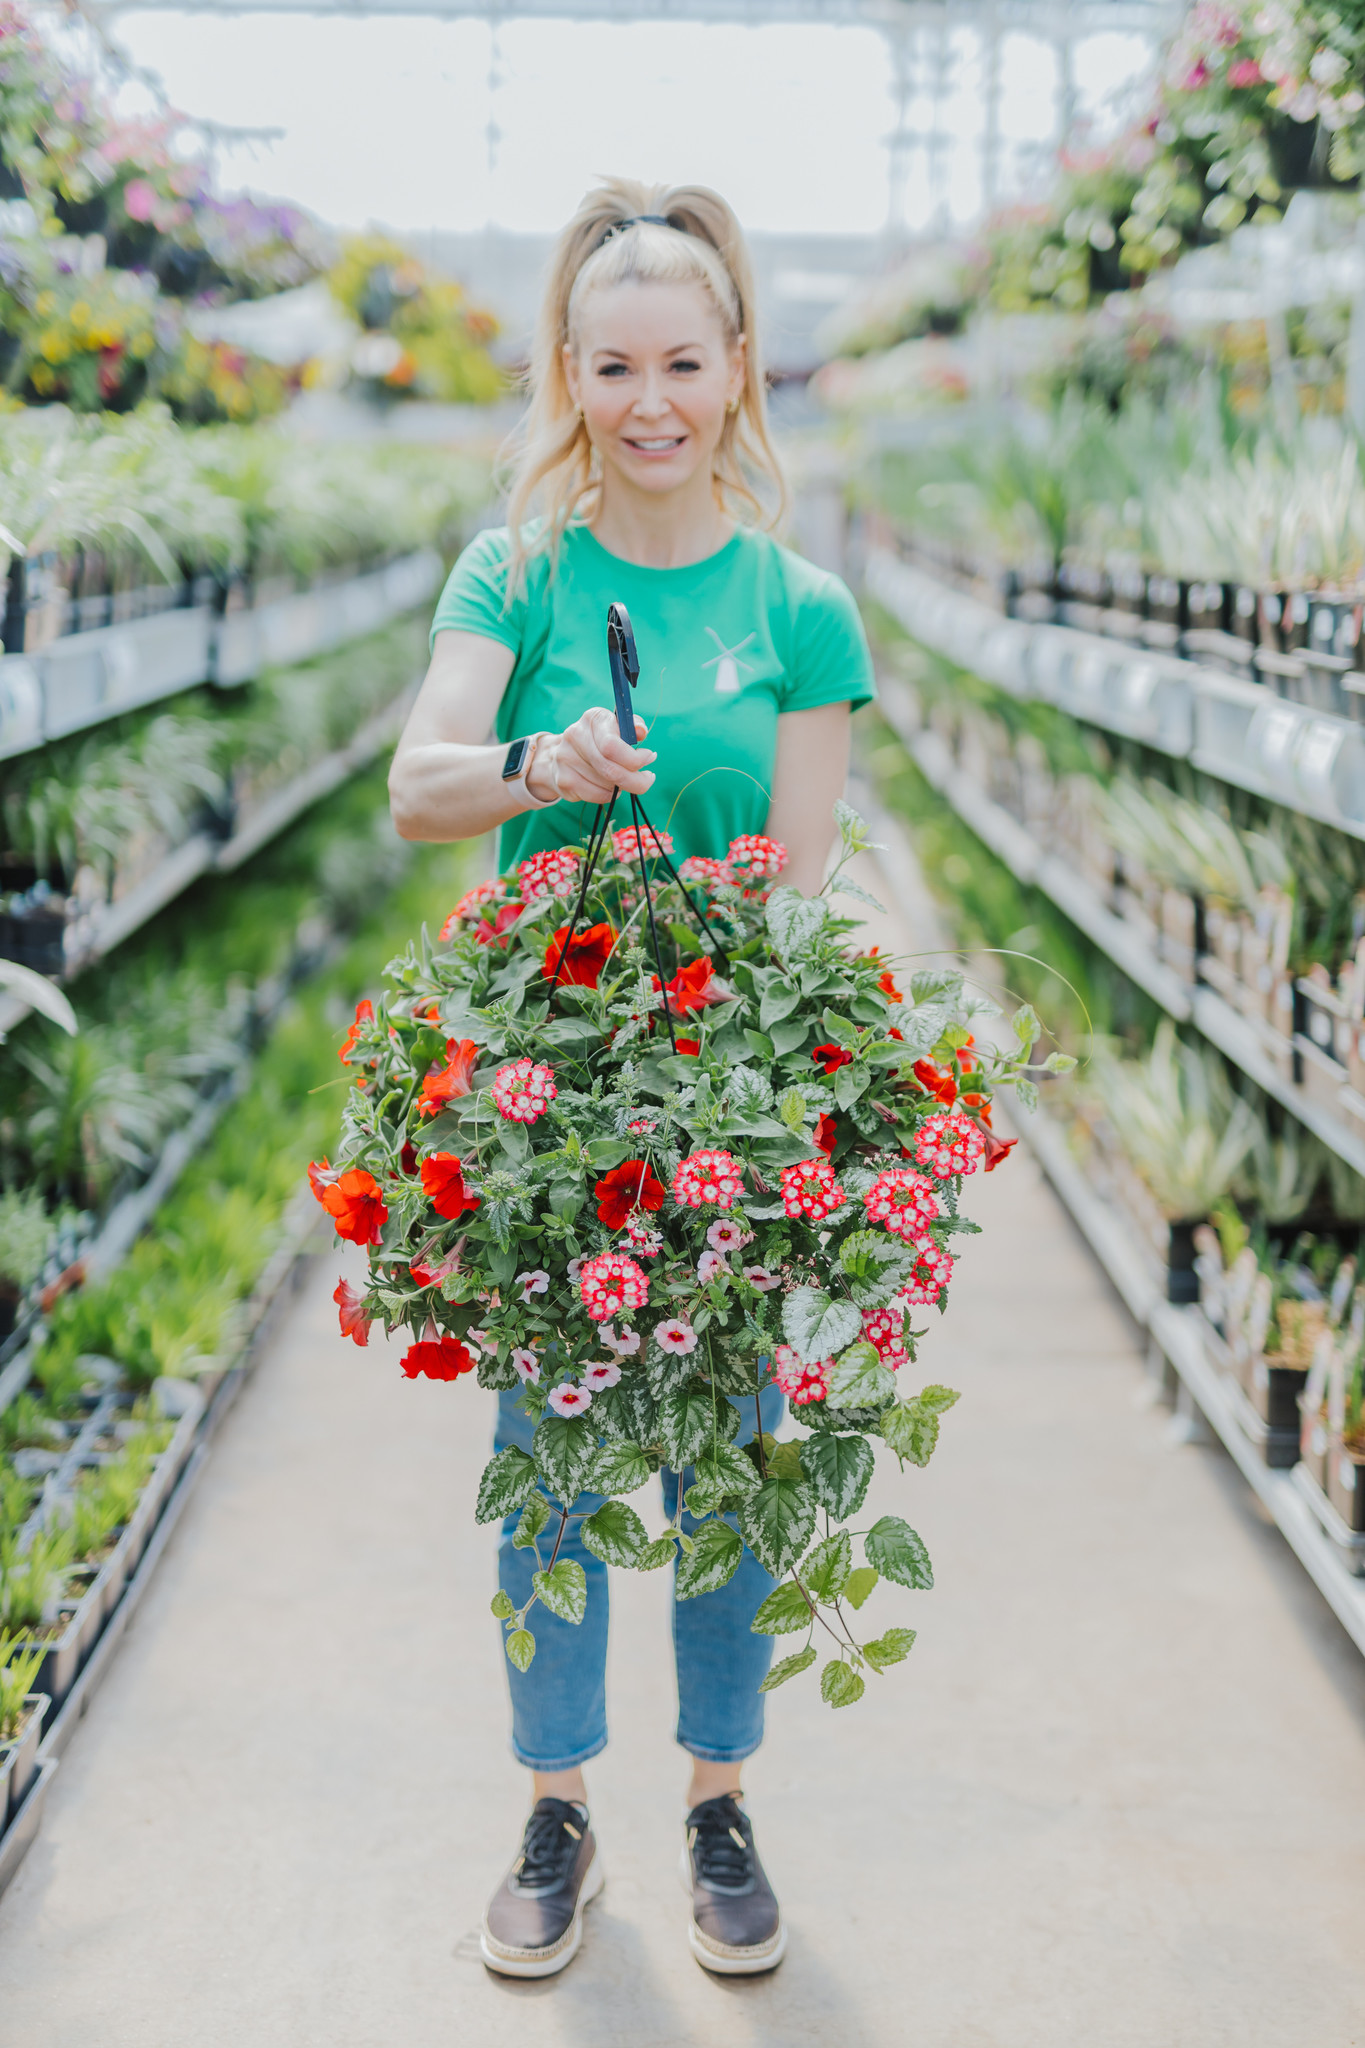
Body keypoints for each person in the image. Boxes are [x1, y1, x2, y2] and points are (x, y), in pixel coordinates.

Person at [389, 178, 876, 1982]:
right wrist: (541, 757)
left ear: (738, 366)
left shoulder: (800, 608)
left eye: (683, 360)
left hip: (724, 1103)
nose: (650, 398)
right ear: (569, 376)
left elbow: (801, 884)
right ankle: (555, 1804)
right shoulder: (513, 575)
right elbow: (413, 783)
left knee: (726, 1457)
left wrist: (752, 1010)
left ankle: (719, 1799)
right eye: (613, 366)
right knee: (551, 1452)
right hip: (547, 1100)